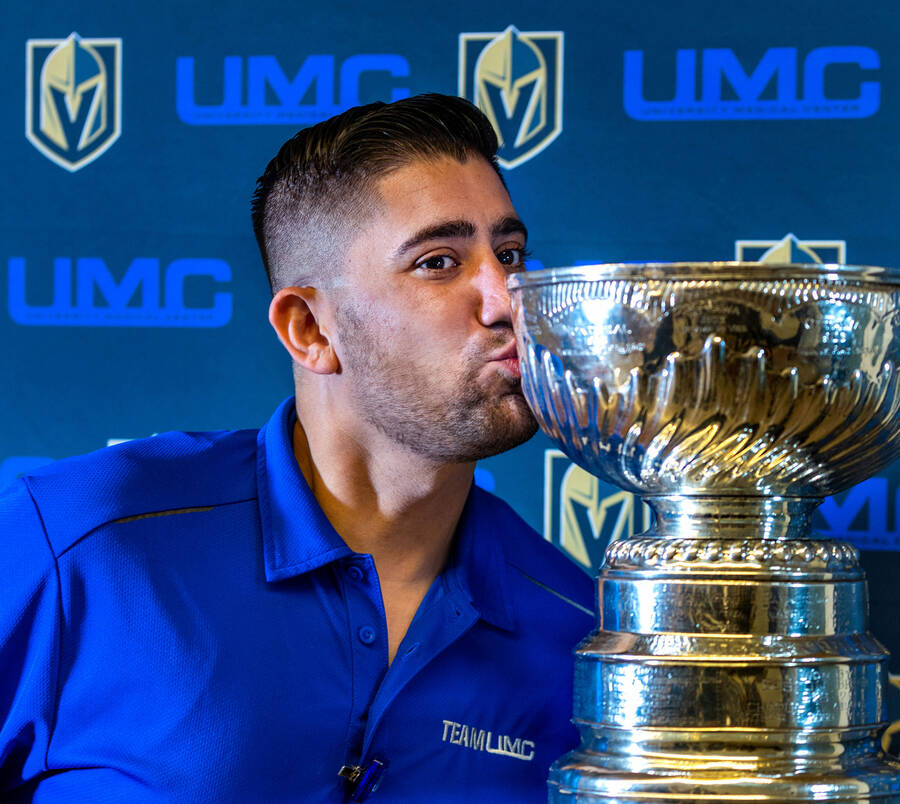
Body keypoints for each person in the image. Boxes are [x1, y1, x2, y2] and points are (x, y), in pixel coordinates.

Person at [0, 94, 594, 803]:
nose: (507, 300)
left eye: (510, 254)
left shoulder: (583, 632)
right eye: (439, 261)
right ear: (309, 329)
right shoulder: (80, 541)